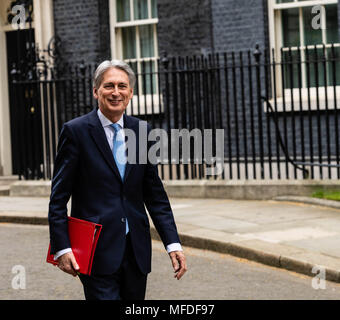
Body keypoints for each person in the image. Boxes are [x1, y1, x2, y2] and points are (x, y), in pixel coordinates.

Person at [48, 59, 187, 300]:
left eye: (122, 86)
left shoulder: (141, 131)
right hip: (95, 251)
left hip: (136, 251)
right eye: (108, 86)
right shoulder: (76, 131)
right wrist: (62, 247)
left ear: (131, 93)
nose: (115, 92)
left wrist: (172, 244)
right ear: (96, 91)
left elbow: (155, 195)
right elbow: (58, 198)